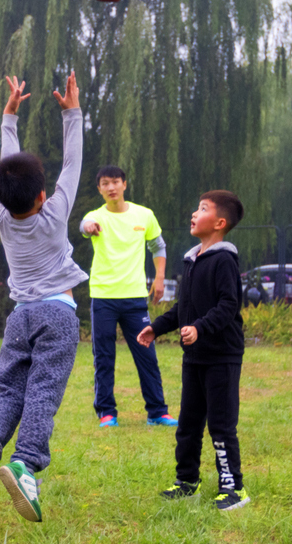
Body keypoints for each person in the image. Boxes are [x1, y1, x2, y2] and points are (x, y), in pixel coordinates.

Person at [0, 71, 87, 523]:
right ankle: (25, 463)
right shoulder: (53, 215)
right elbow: (73, 163)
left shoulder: (2, 216)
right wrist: (71, 112)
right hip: (58, 314)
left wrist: (8, 118)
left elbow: (6, 166)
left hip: (20, 317)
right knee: (42, 393)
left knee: (8, 392)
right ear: (42, 194)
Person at [137, 191, 250, 511]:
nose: (194, 213)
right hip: (195, 357)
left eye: (202, 209)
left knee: (221, 424)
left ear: (219, 223)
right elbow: (183, 309)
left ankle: (233, 487)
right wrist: (156, 327)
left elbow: (228, 305)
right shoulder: (192, 260)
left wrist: (200, 327)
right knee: (188, 422)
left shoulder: (225, 260)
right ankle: (187, 481)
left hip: (221, 355)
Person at [80, 165, 176, 428]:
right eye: (105, 184)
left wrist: (159, 278)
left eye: (115, 182)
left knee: (147, 354)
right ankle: (107, 413)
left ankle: (157, 411)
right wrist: (89, 226)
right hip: (103, 297)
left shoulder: (144, 215)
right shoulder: (95, 216)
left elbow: (158, 245)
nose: (111, 188)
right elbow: (84, 226)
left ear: (124, 184)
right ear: (99, 189)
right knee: (104, 356)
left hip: (135, 298)